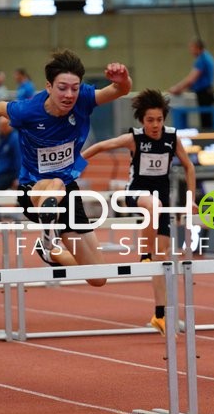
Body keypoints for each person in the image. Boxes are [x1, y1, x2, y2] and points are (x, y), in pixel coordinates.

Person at [0, 49, 132, 286]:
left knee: (98, 277)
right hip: (33, 190)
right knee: (55, 183)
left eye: (74, 88)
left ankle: (51, 251)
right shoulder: (28, 111)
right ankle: (48, 227)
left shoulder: (84, 99)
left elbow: (119, 90)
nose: (69, 95)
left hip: (68, 194)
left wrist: (123, 79)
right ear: (49, 86)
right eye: (62, 88)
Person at [82, 89, 196, 336]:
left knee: (163, 259)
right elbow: (101, 146)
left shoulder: (172, 138)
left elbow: (189, 167)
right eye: (150, 120)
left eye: (159, 120)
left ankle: (160, 315)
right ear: (142, 120)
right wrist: (75, 164)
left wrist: (190, 198)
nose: (155, 125)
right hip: (136, 194)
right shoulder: (134, 138)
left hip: (162, 201)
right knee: (153, 206)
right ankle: (144, 253)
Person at [168, 38, 214, 130]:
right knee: (207, 118)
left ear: (197, 48)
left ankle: (207, 136)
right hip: (207, 92)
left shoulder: (202, 60)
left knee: (206, 120)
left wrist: (177, 88)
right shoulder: (208, 57)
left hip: (204, 94)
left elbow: (191, 79)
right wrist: (183, 89)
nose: (190, 51)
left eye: (192, 48)